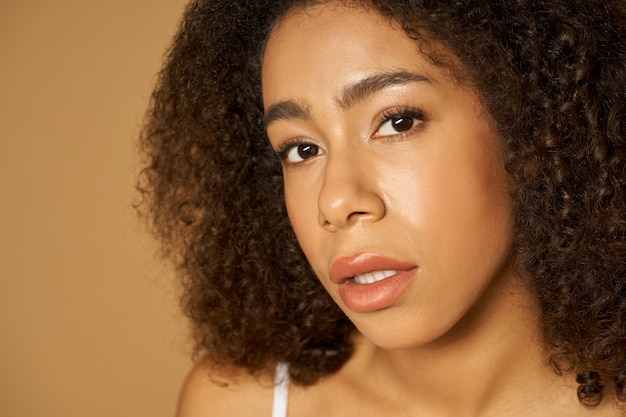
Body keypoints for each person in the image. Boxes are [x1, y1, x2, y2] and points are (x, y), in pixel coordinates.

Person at [138, 0, 626, 415]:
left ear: (532, 131)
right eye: (301, 150)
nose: (335, 201)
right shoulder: (238, 404)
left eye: (396, 121)